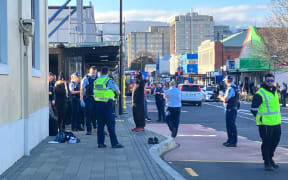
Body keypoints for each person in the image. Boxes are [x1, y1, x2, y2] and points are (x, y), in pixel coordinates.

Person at [251, 73, 281, 171]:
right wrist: (261, 118)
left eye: (271, 80)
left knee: (275, 141)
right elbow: (253, 108)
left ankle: (270, 158)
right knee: (267, 143)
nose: (270, 82)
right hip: (265, 124)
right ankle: (267, 162)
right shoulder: (260, 93)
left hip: (276, 122)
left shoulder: (275, 91)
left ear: (274, 81)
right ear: (265, 81)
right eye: (268, 80)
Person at [93, 67, 123, 148]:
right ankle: (114, 143)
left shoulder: (96, 81)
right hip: (107, 105)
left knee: (100, 125)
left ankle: (100, 143)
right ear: (108, 73)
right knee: (111, 124)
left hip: (98, 105)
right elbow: (118, 92)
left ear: (101, 72)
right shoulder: (109, 80)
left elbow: (94, 92)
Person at [218, 75, 239, 147]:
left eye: (225, 81)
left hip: (230, 109)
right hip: (232, 108)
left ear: (227, 81)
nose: (225, 83)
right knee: (230, 125)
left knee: (231, 125)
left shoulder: (230, 88)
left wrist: (220, 96)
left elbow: (226, 99)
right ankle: (230, 140)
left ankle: (233, 141)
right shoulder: (235, 87)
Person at [80, 66, 97, 135]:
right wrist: (81, 99)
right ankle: (89, 130)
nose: (93, 74)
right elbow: (82, 89)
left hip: (96, 98)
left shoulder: (97, 78)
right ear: (89, 71)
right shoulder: (86, 79)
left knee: (95, 114)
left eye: (94, 72)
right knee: (88, 114)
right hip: (88, 98)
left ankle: (95, 128)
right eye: (92, 72)